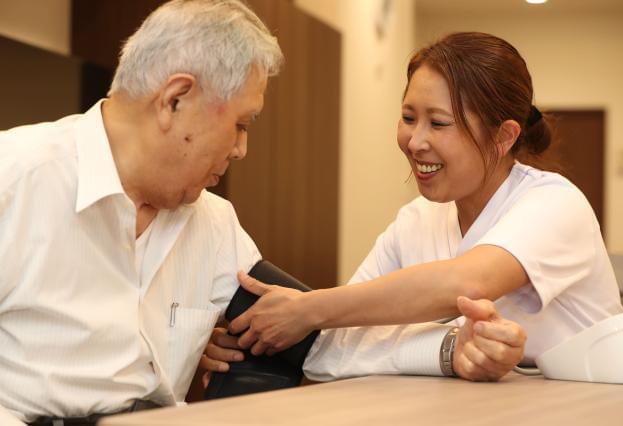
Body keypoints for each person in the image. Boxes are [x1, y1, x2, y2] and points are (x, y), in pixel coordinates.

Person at [0, 3, 523, 424]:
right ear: (176, 99)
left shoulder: (213, 225)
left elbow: (320, 344)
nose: (242, 150)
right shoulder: (15, 179)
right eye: (242, 125)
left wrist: (454, 349)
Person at [219, 32, 623, 377]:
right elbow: (330, 349)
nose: (415, 142)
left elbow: (465, 283)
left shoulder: (555, 204)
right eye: (408, 118)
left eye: (439, 123)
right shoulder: (416, 220)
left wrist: (308, 308)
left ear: (503, 137)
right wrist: (447, 349)